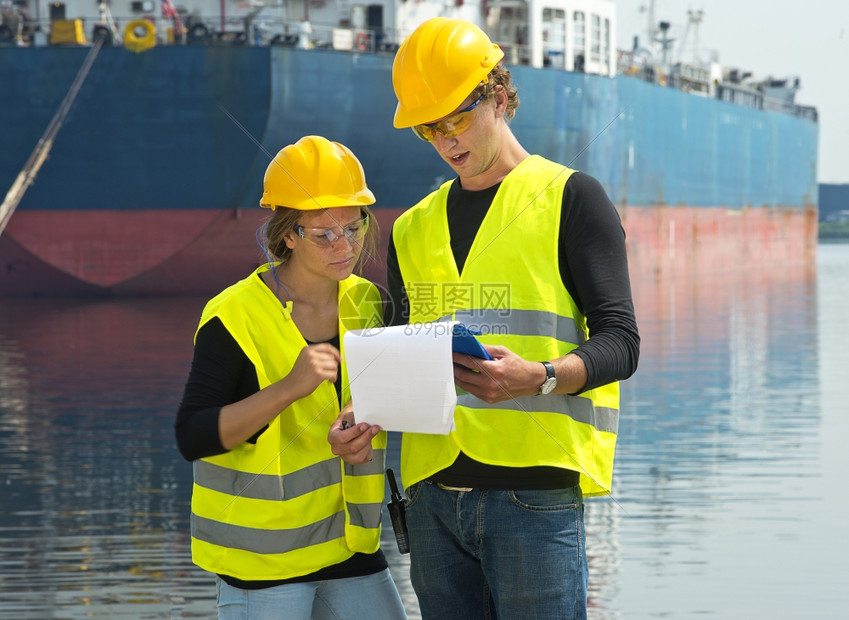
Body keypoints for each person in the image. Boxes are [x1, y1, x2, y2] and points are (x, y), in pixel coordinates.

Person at [344, 17, 640, 619]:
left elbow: (622, 342)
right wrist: (366, 413)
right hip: (430, 502)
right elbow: (406, 351)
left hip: (532, 497)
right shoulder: (412, 226)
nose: (447, 139)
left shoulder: (571, 197)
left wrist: (542, 375)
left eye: (458, 118)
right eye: (431, 128)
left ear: (499, 96)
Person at [174, 135, 407, 620]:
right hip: (263, 560)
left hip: (349, 542)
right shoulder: (233, 316)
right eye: (324, 234)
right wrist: (289, 388)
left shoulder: (372, 303)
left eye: (354, 227)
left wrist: (364, 417)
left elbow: (387, 394)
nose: (345, 246)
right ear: (288, 235)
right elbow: (194, 436)